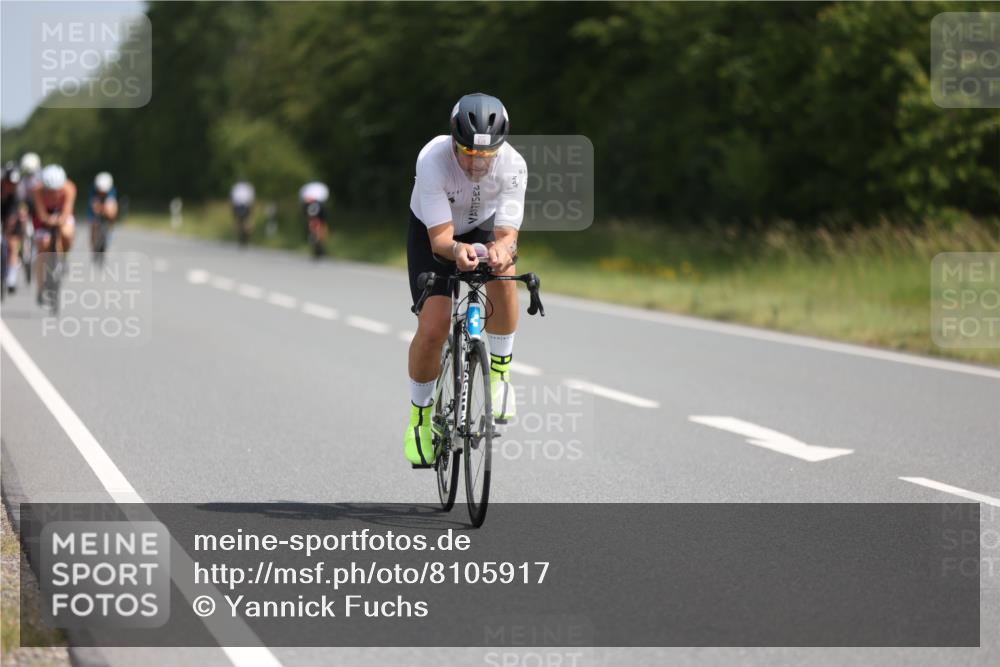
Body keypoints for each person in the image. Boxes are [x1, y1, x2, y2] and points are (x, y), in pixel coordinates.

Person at [403, 92, 527, 467]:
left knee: (504, 270)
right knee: (434, 326)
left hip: (481, 226)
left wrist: (502, 250)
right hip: (433, 231)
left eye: (486, 155)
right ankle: (420, 419)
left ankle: (500, 376)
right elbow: (441, 240)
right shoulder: (432, 159)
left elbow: (507, 236)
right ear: (454, 142)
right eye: (468, 152)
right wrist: (457, 250)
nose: (476, 162)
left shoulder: (514, 165)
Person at [33, 164, 76, 303]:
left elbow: (67, 211)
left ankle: (64, 257)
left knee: (66, 233)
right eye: (49, 191)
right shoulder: (37, 190)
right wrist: (48, 220)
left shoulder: (69, 188)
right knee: (43, 245)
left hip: (62, 214)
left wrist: (60, 220)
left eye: (56, 191)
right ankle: (40, 287)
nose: (53, 194)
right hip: (44, 217)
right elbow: (41, 214)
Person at [2, 162, 21, 293]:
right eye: (9, 183)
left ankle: (11, 278)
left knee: (13, 243)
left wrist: (12, 221)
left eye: (14, 184)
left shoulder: (17, 192)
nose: (12, 186)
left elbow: (15, 211)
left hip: (9, 210)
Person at [88, 171, 119, 255]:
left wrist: (109, 213)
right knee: (93, 222)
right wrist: (97, 209)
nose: (102, 193)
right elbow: (93, 204)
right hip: (96, 208)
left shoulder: (112, 190)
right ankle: (93, 243)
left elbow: (113, 204)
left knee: (111, 211)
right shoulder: (93, 190)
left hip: (107, 206)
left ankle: (110, 230)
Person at [299, 181, 330, 257]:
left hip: (315, 210)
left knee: (316, 223)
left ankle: (316, 238)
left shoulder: (308, 192)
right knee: (319, 224)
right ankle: (317, 239)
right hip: (317, 209)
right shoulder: (319, 190)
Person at [230, 181, 255, 246]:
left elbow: (233, 198)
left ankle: (240, 237)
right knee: (246, 221)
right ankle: (245, 237)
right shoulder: (248, 186)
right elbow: (251, 199)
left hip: (238, 206)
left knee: (239, 221)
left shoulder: (236, 186)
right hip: (246, 206)